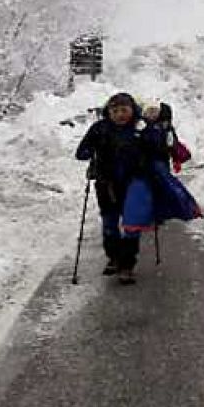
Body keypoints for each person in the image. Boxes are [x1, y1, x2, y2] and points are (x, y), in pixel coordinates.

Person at [75, 93, 167, 283]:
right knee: (109, 224)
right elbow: (81, 153)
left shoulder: (141, 127)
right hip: (106, 184)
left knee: (131, 226)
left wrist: (150, 131)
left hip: (135, 185)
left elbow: (158, 148)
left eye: (124, 110)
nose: (120, 114)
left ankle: (127, 265)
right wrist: (90, 149)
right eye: (115, 111)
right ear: (108, 112)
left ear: (133, 110)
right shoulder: (100, 129)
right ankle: (114, 258)